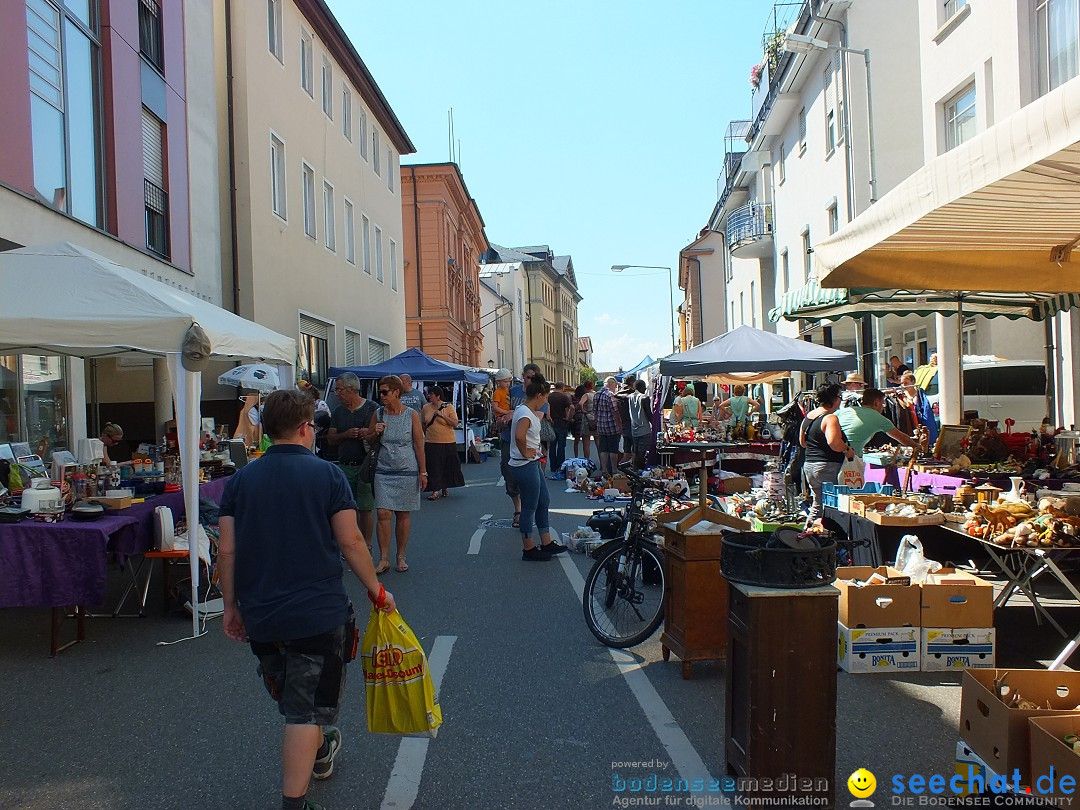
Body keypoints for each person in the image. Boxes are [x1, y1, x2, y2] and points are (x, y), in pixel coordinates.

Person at [217, 388, 396, 810]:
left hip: (263, 612)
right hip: (317, 613)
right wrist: (378, 591)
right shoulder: (327, 475)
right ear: (304, 428)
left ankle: (319, 751)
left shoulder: (240, 480)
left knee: (298, 697)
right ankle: (294, 803)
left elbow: (227, 550)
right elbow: (351, 541)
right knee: (306, 712)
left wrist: (230, 606)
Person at [369, 375, 426, 574]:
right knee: (383, 513)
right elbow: (368, 440)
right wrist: (374, 432)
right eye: (380, 392)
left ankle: (400, 555)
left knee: (403, 514)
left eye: (385, 392)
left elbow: (419, 445)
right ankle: (383, 558)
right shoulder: (377, 413)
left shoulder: (411, 415)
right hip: (383, 470)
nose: (382, 395)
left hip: (406, 469)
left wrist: (423, 471)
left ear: (396, 393)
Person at [508, 374, 567, 561]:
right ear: (539, 396)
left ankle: (546, 542)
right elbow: (519, 435)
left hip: (530, 462)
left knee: (543, 501)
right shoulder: (525, 413)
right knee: (530, 507)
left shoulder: (525, 410)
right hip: (524, 464)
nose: (546, 400)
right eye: (546, 397)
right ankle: (529, 548)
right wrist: (525, 451)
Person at [327, 373, 378, 544]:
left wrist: (368, 433)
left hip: (365, 465)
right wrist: (346, 434)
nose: (337, 393)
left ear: (351, 390)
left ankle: (367, 545)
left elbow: (381, 434)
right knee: (347, 508)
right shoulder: (338, 412)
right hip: (344, 466)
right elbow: (331, 439)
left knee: (365, 508)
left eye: (339, 389)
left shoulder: (372, 408)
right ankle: (351, 543)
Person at [799, 383, 852, 528]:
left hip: (810, 464)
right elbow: (834, 442)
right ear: (834, 398)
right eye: (840, 397)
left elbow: (802, 443)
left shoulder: (809, 416)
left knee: (818, 504)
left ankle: (808, 534)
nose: (841, 401)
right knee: (831, 506)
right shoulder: (830, 418)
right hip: (827, 466)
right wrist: (847, 450)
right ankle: (826, 536)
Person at [499, 364, 540, 528]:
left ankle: (525, 514)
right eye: (529, 377)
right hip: (508, 439)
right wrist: (502, 418)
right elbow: (502, 411)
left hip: (528, 443)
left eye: (534, 378)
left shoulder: (539, 395)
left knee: (529, 479)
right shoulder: (513, 391)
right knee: (509, 475)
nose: (531, 381)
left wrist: (513, 414)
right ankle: (518, 509)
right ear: (523, 376)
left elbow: (538, 417)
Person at [837, 387, 919, 456]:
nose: (883, 407)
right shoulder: (879, 418)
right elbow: (902, 438)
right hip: (847, 457)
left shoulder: (846, 410)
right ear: (876, 402)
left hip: (831, 453)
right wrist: (918, 448)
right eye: (883, 403)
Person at [421, 385, 464, 500]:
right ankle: (435, 490)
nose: (429, 396)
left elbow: (455, 423)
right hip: (431, 440)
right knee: (433, 465)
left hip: (447, 440)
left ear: (438, 396)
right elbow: (423, 423)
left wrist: (442, 415)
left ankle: (445, 487)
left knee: (447, 465)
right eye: (428, 394)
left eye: (431, 394)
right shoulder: (426, 408)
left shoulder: (448, 407)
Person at [593, 376, 622, 475]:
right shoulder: (610, 395)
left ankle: (604, 469)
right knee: (613, 449)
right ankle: (614, 469)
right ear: (611, 384)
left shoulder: (596, 394)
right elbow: (615, 411)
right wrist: (619, 425)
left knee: (603, 449)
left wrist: (597, 422)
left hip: (601, 426)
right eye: (615, 385)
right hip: (611, 426)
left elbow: (595, 411)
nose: (615, 387)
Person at [902, 371, 939, 447]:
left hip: (920, 426)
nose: (903, 385)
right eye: (902, 383)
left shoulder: (921, 396)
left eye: (906, 383)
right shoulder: (901, 397)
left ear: (912, 382)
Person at [546, 381, 573, 478]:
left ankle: (553, 466)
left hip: (551, 423)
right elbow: (572, 407)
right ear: (562, 388)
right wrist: (569, 418)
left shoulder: (549, 396)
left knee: (552, 446)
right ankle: (560, 466)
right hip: (562, 423)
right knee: (561, 446)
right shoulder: (564, 397)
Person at [628, 379, 653, 470]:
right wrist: (655, 425)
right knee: (643, 452)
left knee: (635, 451)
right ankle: (641, 471)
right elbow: (649, 414)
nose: (646, 388)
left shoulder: (629, 397)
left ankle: (635, 470)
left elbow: (617, 395)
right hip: (644, 429)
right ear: (642, 387)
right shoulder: (644, 398)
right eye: (645, 387)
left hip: (634, 429)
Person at [614, 374, 637, 465]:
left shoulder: (618, 394)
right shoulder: (632, 393)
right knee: (634, 450)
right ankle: (633, 469)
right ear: (632, 382)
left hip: (623, 423)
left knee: (627, 451)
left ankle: (621, 468)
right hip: (632, 423)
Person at [574, 381, 595, 462]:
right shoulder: (595, 394)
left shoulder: (586, 395)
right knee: (598, 442)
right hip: (595, 418)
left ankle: (587, 461)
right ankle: (601, 464)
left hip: (587, 419)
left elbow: (580, 403)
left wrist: (583, 410)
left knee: (586, 443)